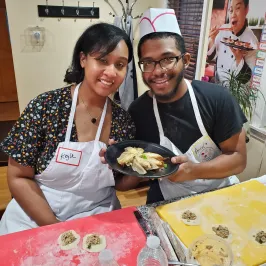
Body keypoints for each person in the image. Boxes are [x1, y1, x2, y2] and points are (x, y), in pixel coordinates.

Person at [100, 8, 247, 204]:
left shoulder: (217, 98)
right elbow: (130, 179)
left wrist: (194, 171)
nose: (157, 71)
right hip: (168, 200)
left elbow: (238, 159)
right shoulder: (138, 110)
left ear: (185, 60)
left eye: (168, 59)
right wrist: (119, 161)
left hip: (220, 196)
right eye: (148, 62)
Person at [0, 23, 136, 235]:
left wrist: (142, 170)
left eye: (120, 64)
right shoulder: (45, 107)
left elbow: (120, 184)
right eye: (102, 60)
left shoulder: (122, 120)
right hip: (37, 216)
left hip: (97, 215)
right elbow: (18, 177)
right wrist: (57, 228)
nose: (111, 72)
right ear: (83, 59)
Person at [207, 0, 258, 84]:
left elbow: (247, 79)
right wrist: (212, 39)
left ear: (246, 10)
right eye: (231, 10)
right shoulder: (223, 30)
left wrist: (239, 58)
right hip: (218, 81)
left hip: (234, 89)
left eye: (237, 8)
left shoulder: (251, 40)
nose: (233, 15)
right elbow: (211, 57)